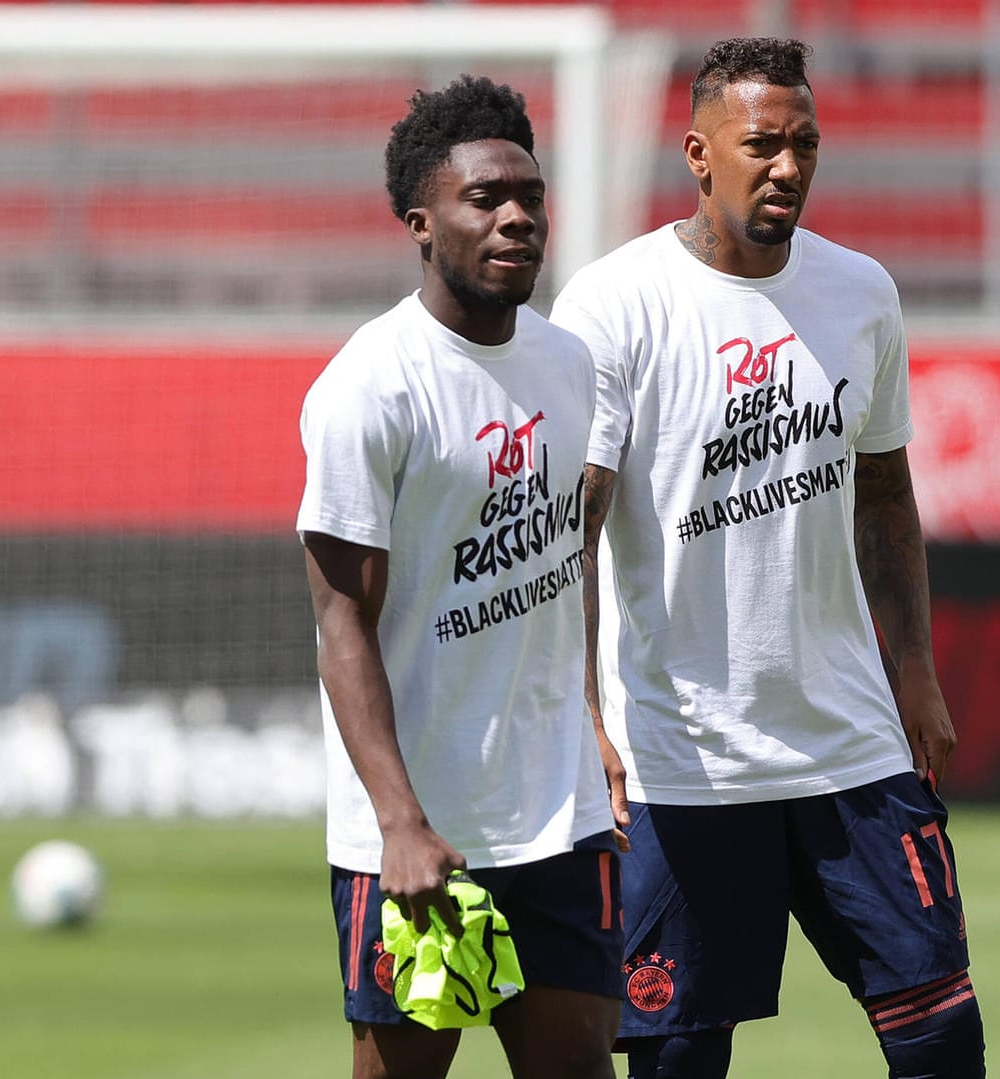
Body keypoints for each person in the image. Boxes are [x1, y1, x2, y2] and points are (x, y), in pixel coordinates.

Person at [550, 38, 984, 1079]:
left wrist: (913, 664)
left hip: (849, 743)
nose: (788, 166)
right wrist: (582, 712)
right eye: (762, 146)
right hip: (681, 758)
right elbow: (574, 526)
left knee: (942, 1039)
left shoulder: (862, 293)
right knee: (677, 1058)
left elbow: (884, 489)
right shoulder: (615, 304)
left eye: (806, 144)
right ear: (700, 153)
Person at [297, 75, 628, 1079]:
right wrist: (400, 821)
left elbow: (570, 561)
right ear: (421, 222)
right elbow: (339, 620)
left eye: (529, 195)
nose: (518, 216)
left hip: (559, 818)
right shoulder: (370, 386)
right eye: (486, 198)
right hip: (420, 832)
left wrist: (595, 722)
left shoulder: (571, 365)